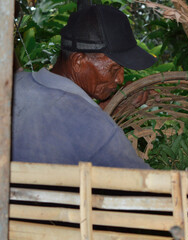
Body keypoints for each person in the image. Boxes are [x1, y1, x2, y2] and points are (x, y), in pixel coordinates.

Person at [12, 5, 157, 169]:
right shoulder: (99, 131)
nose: (120, 79)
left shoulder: (12, 86)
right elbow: (149, 185)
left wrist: (101, 110)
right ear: (78, 61)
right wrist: (95, 117)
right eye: (114, 69)